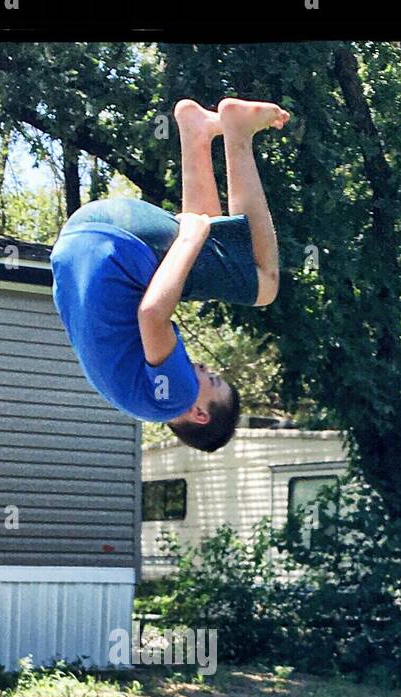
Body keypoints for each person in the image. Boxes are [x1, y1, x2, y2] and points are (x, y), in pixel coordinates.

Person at [50, 98, 289, 451]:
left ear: (199, 414)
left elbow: (152, 315)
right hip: (80, 235)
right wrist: (193, 239)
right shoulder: (135, 399)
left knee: (264, 285)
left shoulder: (174, 399)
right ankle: (197, 132)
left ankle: (238, 133)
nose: (208, 368)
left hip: (119, 240)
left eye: (215, 382)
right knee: (206, 256)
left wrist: (190, 237)